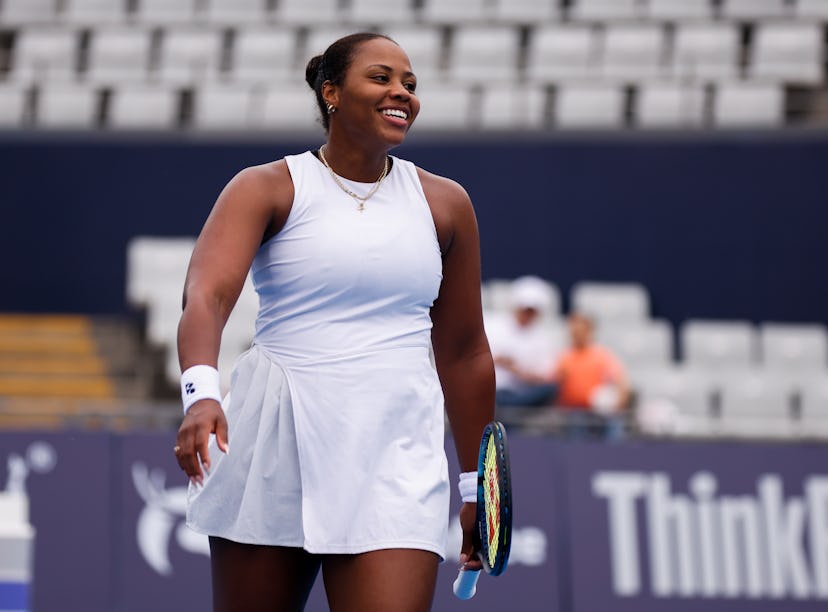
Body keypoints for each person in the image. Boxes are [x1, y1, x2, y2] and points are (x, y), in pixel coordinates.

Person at [172, 32, 495, 612]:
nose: (401, 92)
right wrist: (199, 393)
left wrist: (477, 485)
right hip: (277, 435)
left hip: (395, 448)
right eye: (381, 78)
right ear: (331, 94)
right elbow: (208, 295)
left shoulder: (446, 204)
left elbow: (465, 351)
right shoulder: (266, 186)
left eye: (410, 84)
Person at [550, 312, 630, 440]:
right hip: (571, 413)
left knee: (614, 423)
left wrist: (617, 404)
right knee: (575, 421)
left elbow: (621, 382)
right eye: (574, 330)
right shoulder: (563, 357)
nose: (577, 334)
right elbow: (552, 385)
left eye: (581, 330)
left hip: (599, 413)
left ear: (589, 331)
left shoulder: (601, 355)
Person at [486, 276, 560, 411]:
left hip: (522, 393)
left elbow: (545, 377)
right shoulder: (492, 325)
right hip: (491, 388)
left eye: (531, 310)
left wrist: (516, 369)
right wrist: (498, 361)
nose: (527, 314)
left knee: (551, 389)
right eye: (525, 309)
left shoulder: (543, 339)